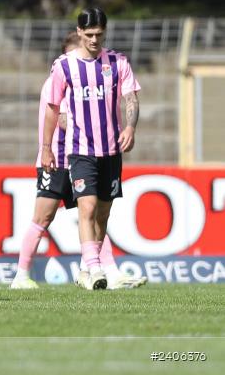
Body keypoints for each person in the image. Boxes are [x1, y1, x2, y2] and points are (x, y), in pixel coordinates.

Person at [12, 32, 145, 290]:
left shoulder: (94, 73)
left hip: (82, 155)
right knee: (43, 216)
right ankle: (21, 274)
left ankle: (103, 270)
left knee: (92, 212)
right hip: (59, 159)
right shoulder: (63, 78)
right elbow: (62, 118)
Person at [41, 8, 141, 291]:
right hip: (80, 149)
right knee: (87, 205)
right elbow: (52, 109)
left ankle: (87, 267)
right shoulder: (63, 66)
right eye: (89, 34)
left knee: (103, 214)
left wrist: (130, 127)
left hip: (110, 150)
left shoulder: (118, 62)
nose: (95, 39)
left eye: (99, 34)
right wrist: (47, 147)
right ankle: (97, 270)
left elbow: (130, 98)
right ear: (80, 32)